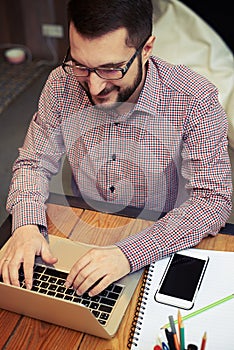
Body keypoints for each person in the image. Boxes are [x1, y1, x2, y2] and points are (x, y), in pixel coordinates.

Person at [0, 0, 232, 297]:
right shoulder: (61, 83)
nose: (94, 88)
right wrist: (27, 224)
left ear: (146, 49)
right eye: (81, 65)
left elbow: (212, 200)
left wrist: (127, 254)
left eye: (110, 69)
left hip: (164, 238)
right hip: (84, 225)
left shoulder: (195, 99)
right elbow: (33, 163)